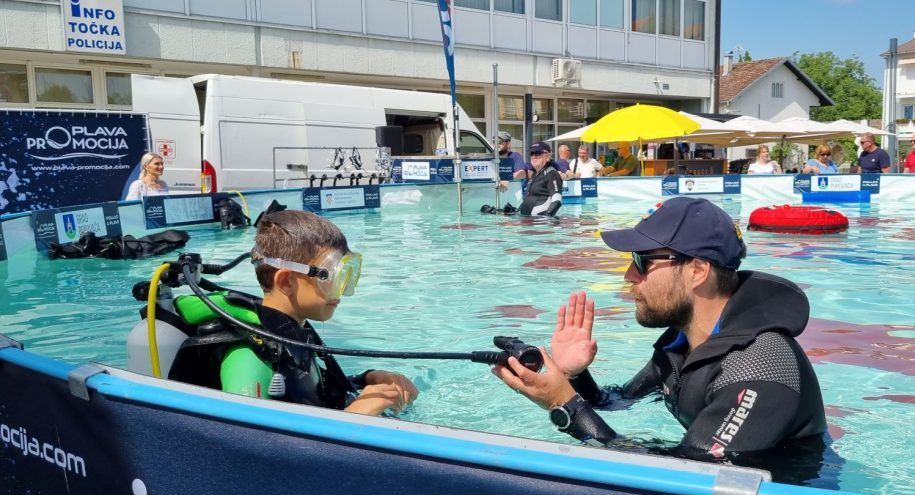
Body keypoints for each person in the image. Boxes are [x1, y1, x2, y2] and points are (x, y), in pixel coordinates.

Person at [493, 197, 826, 466]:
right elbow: (616, 402)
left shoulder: (759, 366)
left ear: (697, 270)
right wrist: (574, 375)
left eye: (642, 260)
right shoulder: (680, 342)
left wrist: (563, 406)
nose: (629, 275)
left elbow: (689, 475)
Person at [227, 210, 418, 415]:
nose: (342, 290)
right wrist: (355, 417)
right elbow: (247, 440)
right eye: (330, 277)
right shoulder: (249, 357)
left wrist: (369, 378)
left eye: (344, 276)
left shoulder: (295, 334)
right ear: (286, 281)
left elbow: (315, 394)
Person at [519, 142, 563, 216]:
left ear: (548, 156)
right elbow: (530, 199)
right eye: (532, 153)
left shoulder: (551, 173)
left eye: (538, 153)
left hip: (540, 223)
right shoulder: (534, 174)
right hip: (528, 221)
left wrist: (547, 216)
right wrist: (516, 211)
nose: (533, 156)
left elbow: (557, 200)